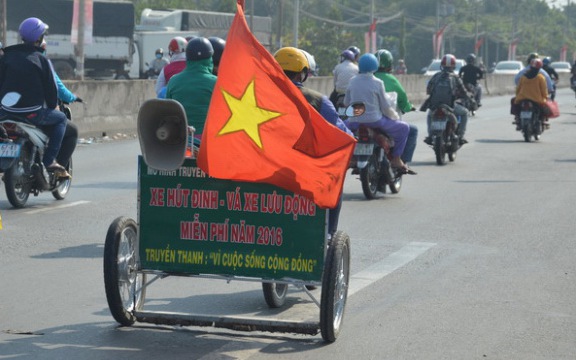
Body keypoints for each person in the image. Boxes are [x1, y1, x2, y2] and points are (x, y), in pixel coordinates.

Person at [274, 46, 352, 236]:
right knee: (335, 183)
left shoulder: (256, 96)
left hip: (268, 166)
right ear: (302, 75)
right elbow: (341, 132)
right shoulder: (318, 100)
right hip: (304, 168)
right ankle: (328, 235)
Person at [0, 17, 69, 177]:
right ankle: (49, 160)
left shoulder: (7, 57)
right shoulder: (42, 59)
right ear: (39, 38)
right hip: (32, 114)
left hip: (6, 112)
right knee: (61, 119)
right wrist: (53, 106)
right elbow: (52, 94)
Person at [344, 53, 412, 173]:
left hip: (355, 121)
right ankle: (396, 158)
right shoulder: (377, 82)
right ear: (375, 66)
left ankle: (347, 158)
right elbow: (385, 106)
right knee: (404, 128)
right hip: (376, 121)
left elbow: (346, 102)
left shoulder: (352, 81)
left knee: (338, 129)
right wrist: (394, 117)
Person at [374, 49, 418, 166]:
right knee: (411, 130)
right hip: (383, 121)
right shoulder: (391, 80)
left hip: (363, 120)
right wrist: (409, 107)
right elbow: (403, 100)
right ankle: (400, 161)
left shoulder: (361, 79)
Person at [41, 40, 81, 168]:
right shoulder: (42, 62)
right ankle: (52, 163)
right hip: (34, 113)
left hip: (8, 113)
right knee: (65, 124)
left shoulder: (10, 61)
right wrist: (73, 97)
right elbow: (59, 89)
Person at [166, 37, 216, 137]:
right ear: (209, 59)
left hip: (180, 139)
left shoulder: (173, 81)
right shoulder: (216, 82)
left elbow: (168, 111)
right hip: (207, 140)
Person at [423, 54, 473, 145]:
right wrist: (470, 100)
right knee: (465, 113)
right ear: (453, 66)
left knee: (430, 115)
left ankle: (430, 136)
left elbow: (428, 90)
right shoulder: (455, 77)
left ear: (442, 65)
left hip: (436, 105)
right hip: (450, 106)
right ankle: (461, 136)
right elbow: (464, 92)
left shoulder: (436, 76)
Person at [513, 58, 549, 130]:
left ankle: (517, 118)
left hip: (522, 98)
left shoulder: (523, 77)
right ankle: (543, 120)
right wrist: (546, 97)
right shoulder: (540, 77)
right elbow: (544, 90)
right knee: (545, 106)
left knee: (514, 103)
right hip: (536, 99)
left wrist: (517, 96)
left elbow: (518, 89)